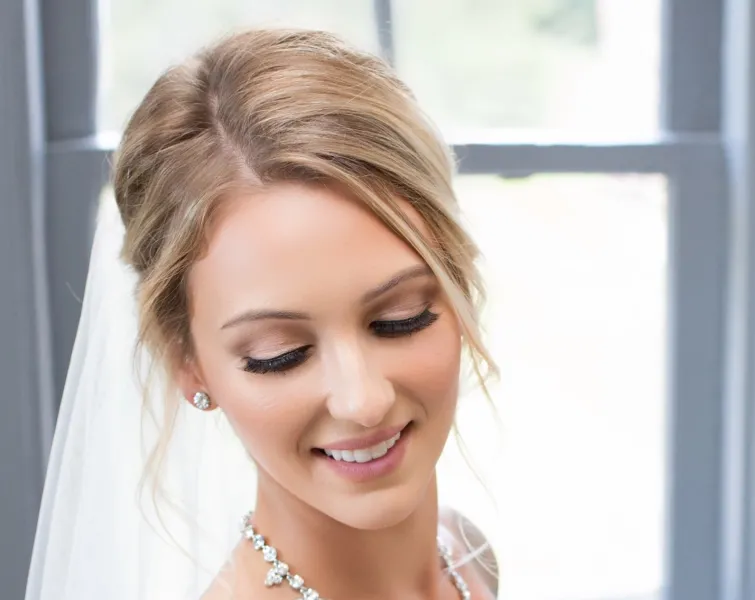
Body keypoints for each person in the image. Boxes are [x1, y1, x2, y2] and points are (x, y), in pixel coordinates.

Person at [26, 29, 499, 600]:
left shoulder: (466, 557)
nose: (363, 400)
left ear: (457, 285)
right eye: (279, 356)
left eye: (401, 318)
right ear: (190, 366)